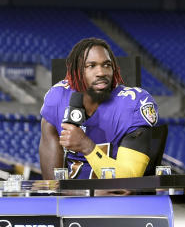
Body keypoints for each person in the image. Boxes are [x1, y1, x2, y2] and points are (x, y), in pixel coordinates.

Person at [39, 38, 158, 180]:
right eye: (91, 66)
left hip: (118, 201)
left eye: (107, 65)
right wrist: (74, 193)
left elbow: (129, 181)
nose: (101, 72)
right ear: (76, 71)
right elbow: (52, 185)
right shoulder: (58, 98)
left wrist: (86, 146)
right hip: (71, 199)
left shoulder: (133, 104)